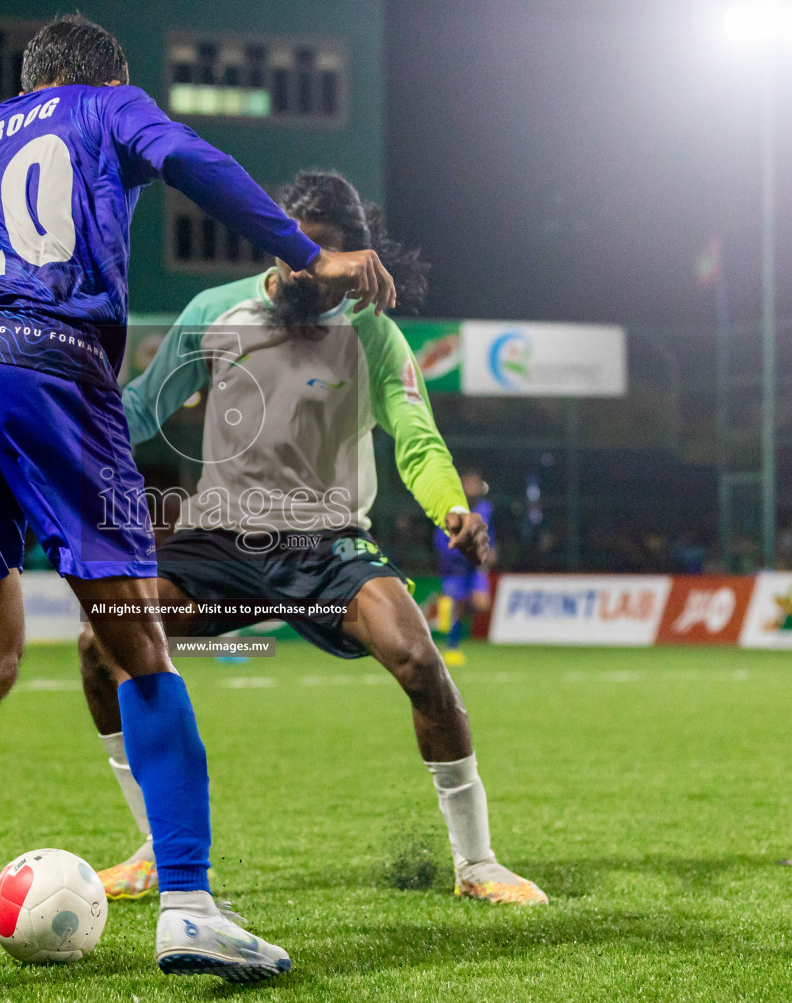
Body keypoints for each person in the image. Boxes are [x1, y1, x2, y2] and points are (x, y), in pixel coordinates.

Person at [0, 16, 395, 996]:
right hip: (51, 369)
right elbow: (194, 158)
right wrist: (307, 252)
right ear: (101, 77)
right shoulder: (105, 110)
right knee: (135, 638)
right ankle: (193, 906)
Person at [80, 172, 546, 909]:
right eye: (297, 251)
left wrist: (449, 505)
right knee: (101, 641)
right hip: (219, 541)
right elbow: (140, 410)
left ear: (360, 257)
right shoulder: (214, 312)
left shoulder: (371, 331)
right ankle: (153, 848)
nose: (308, 268)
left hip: (326, 543)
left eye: (328, 255)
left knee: (420, 659)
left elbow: (415, 437)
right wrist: (58, 430)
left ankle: (477, 863)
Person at [423, 470, 496, 666]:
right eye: (469, 483)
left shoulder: (484, 507)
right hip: (454, 566)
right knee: (457, 605)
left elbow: (489, 531)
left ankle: (444, 600)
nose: (472, 487)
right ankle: (452, 647)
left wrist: (491, 548)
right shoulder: (452, 508)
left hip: (475, 566)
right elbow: (440, 540)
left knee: (482, 603)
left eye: (475, 483)